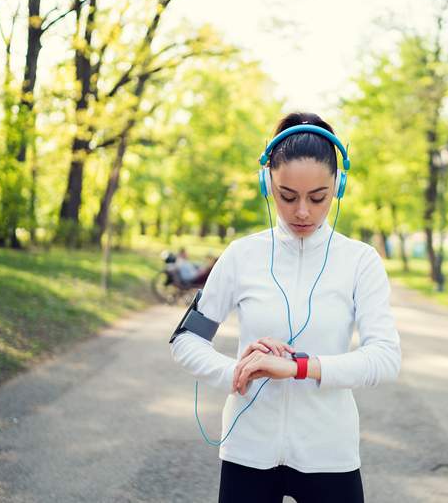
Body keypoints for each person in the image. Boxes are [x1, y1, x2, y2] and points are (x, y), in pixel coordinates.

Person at [168, 112, 401, 503]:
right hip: (248, 452)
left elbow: (385, 358)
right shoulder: (242, 256)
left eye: (318, 197)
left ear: (339, 187)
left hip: (330, 454)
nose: (303, 212)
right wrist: (237, 372)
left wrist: (299, 368)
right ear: (267, 184)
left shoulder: (360, 261)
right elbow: (186, 340)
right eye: (287, 196)